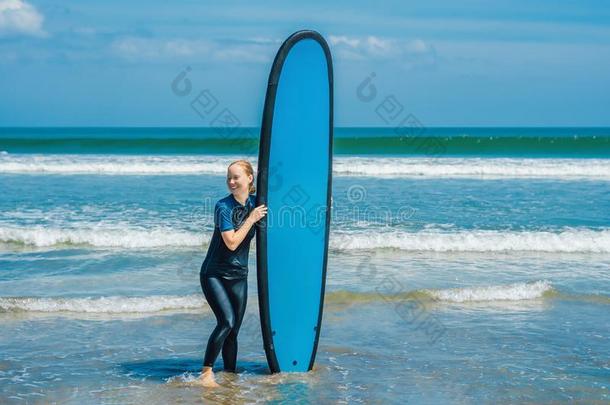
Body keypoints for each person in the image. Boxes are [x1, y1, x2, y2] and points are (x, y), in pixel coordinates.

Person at [198, 159, 267, 387]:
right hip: (214, 274)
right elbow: (231, 243)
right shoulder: (223, 206)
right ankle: (206, 372)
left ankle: (230, 375)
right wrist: (251, 218)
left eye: (236, 177)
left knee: (233, 331)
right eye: (228, 177)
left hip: (239, 275)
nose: (231, 181)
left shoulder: (257, 204)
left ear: (249, 178)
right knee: (226, 322)